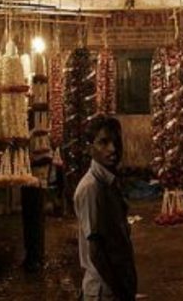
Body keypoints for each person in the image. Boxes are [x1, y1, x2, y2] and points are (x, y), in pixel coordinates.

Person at [74, 116, 137, 301]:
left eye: (116, 141)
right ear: (89, 148)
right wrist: (121, 292)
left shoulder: (108, 183)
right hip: (105, 291)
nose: (113, 149)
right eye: (103, 142)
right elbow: (96, 251)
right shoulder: (91, 188)